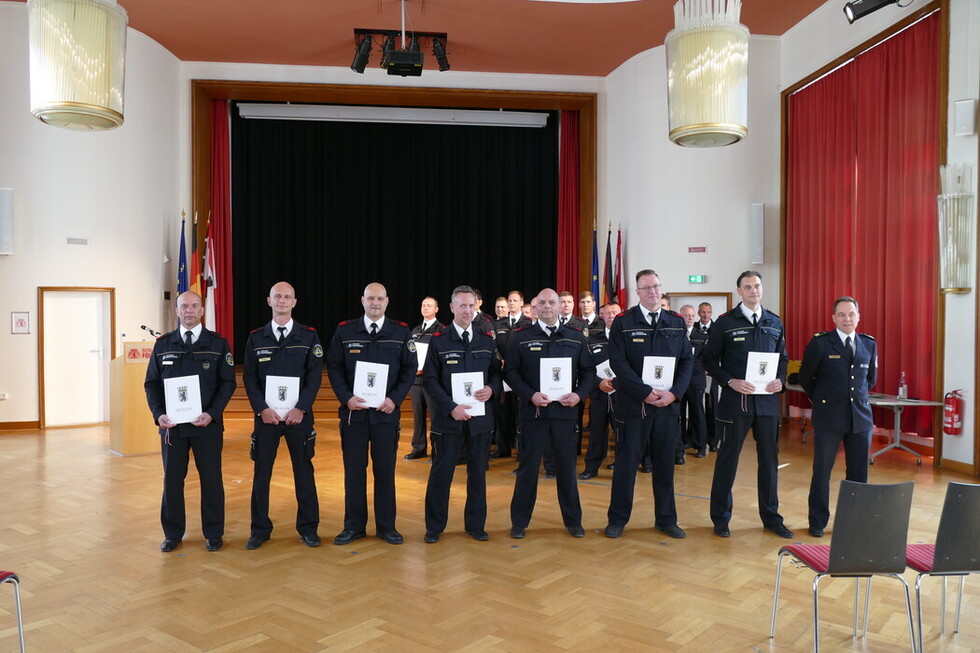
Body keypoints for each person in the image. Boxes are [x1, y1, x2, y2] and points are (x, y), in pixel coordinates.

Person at [144, 291, 236, 552]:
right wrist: (158, 414)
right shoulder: (163, 345)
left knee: (212, 481)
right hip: (172, 428)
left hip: (206, 426)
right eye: (184, 306)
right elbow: (151, 384)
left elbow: (228, 383)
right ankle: (173, 533)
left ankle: (214, 532)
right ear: (176, 310)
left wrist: (213, 413)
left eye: (195, 306)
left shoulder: (218, 344)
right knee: (172, 481)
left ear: (202, 310)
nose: (189, 310)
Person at [702, 271, 792, 539]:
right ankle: (720, 519)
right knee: (727, 462)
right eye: (748, 287)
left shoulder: (774, 322)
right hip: (735, 404)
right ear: (739, 291)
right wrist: (730, 381)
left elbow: (783, 359)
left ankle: (771, 518)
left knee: (769, 462)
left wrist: (781, 380)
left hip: (767, 406)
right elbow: (707, 360)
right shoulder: (725, 323)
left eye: (757, 286)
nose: (754, 290)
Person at [604, 270, 692, 539]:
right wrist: (643, 391)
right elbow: (618, 362)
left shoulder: (675, 322)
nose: (652, 292)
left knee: (665, 465)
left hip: (666, 407)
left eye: (656, 286)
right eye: (646, 288)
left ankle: (666, 519)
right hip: (633, 408)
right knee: (626, 466)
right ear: (638, 291)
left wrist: (675, 393)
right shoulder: (623, 322)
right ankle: (617, 520)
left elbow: (687, 361)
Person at [326, 282, 415, 545]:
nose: (375, 303)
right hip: (355, 415)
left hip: (386, 414)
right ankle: (354, 526)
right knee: (354, 472)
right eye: (370, 299)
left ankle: (387, 527)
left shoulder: (400, 332)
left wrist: (395, 399)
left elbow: (410, 369)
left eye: (380, 299)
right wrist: (346, 398)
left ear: (387, 302)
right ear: (362, 301)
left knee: (385, 471)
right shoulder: (345, 331)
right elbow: (334, 366)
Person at [504, 288, 595, 539]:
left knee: (567, 469)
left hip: (565, 414)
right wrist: (529, 394)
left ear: (559, 306)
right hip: (533, 413)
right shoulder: (520, 337)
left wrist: (579, 395)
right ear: (534, 308)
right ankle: (519, 522)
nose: (547, 306)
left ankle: (573, 521)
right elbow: (510, 372)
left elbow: (588, 372)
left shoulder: (576, 337)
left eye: (551, 302)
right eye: (541, 303)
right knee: (528, 469)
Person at [242, 282, 323, 550]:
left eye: (287, 296)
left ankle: (309, 528)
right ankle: (259, 529)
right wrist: (261, 409)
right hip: (266, 418)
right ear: (269, 301)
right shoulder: (256, 337)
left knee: (304, 472)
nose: (282, 300)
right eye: (278, 296)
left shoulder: (309, 336)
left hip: (298, 418)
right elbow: (250, 377)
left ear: (294, 302)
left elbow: (314, 377)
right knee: (261, 474)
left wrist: (301, 408)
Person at [422, 285, 502, 543]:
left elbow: (497, 374)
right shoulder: (438, 340)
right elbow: (430, 381)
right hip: (449, 420)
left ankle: (475, 525)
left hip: (480, 420)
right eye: (462, 306)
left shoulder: (487, 339)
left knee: (477, 473)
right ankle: (434, 527)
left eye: (471, 306)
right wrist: (451, 408)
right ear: (452, 308)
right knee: (441, 474)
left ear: (476, 307)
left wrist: (491, 388)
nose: (467, 310)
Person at [797, 296, 876, 537]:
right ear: (833, 318)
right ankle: (818, 522)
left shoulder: (869, 344)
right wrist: (823, 401)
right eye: (841, 315)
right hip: (829, 418)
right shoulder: (820, 344)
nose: (847, 319)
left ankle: (854, 521)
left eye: (851, 314)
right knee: (822, 471)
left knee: (858, 473)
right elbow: (805, 378)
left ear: (858, 317)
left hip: (860, 419)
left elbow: (870, 379)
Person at [579, 301, 620, 479]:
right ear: (602, 315)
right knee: (596, 432)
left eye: (615, 312)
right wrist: (598, 383)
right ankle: (591, 467)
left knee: (623, 432)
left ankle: (622, 467)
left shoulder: (627, 339)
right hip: (599, 394)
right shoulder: (592, 340)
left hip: (622, 394)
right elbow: (585, 369)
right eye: (608, 313)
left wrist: (618, 383)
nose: (611, 316)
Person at [492, 291, 532, 459]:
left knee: (520, 414)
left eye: (515, 300)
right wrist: (500, 360)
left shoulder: (528, 323)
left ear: (522, 302)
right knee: (502, 412)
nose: (512, 303)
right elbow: (493, 346)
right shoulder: (499, 324)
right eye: (510, 300)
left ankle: (521, 451)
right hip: (502, 374)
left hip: (520, 376)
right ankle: (503, 448)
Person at [406, 296, 444, 460]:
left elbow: (441, 356)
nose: (425, 308)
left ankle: (437, 450)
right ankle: (419, 448)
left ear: (436, 309)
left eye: (429, 306)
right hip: (416, 380)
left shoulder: (441, 330)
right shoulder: (415, 331)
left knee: (435, 416)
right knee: (418, 417)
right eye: (423, 305)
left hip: (432, 380)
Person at [679, 304, 708, 458]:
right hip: (679, 381)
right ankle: (682, 441)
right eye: (686, 315)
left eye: (691, 315)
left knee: (697, 413)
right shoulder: (676, 335)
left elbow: (705, 359)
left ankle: (701, 445)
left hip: (696, 380)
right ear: (681, 316)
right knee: (679, 413)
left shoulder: (702, 336)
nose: (689, 318)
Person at [697, 302, 719, 451]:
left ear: (712, 313)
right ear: (699, 313)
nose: (705, 315)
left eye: (708, 312)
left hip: (713, 375)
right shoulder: (691, 328)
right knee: (697, 407)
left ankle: (713, 440)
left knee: (712, 407)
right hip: (697, 374)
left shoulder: (717, 329)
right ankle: (697, 439)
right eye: (703, 312)